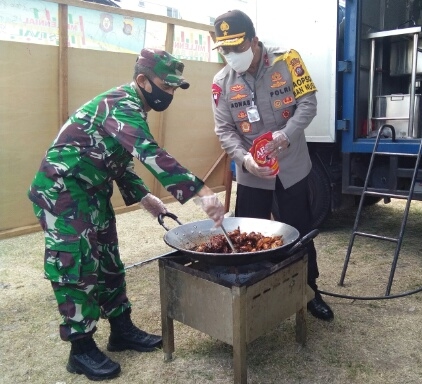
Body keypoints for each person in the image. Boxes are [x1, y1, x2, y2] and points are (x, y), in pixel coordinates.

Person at [28, 48, 225, 381]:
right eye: (167, 84)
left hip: (92, 192)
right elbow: (149, 152)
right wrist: (201, 194)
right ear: (142, 81)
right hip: (62, 193)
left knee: (108, 258)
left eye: (176, 86)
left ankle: (121, 330)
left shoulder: (134, 107)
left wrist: (145, 197)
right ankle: (80, 348)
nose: (171, 92)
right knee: (75, 266)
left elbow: (117, 158)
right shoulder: (120, 104)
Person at [211, 10, 334, 321]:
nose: (232, 55)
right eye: (225, 49)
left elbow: (308, 104)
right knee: (250, 236)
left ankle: (309, 291)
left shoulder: (288, 60)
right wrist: (245, 161)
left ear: (254, 40)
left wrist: (286, 134)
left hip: (292, 165)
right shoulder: (221, 81)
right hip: (253, 174)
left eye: (237, 47)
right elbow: (224, 130)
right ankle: (255, 296)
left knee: (300, 231)